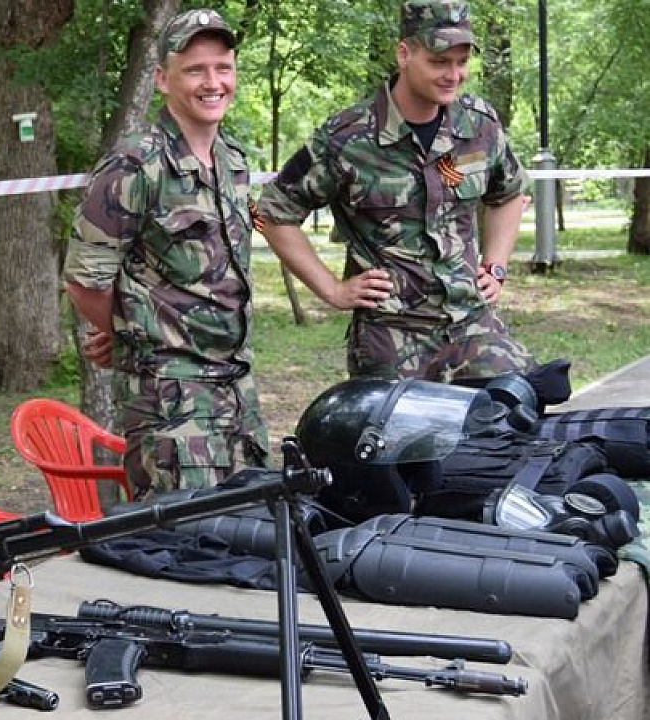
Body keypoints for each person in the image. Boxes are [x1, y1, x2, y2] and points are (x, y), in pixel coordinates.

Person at [256, 0, 536, 383]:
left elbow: (509, 194)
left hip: (470, 323)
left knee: (520, 408)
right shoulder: (348, 138)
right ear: (404, 54)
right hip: (392, 333)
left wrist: (496, 265)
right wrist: (333, 291)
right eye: (439, 62)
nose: (453, 75)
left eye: (461, 62)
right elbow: (272, 213)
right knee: (404, 437)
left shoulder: (479, 125)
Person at [64, 8, 269, 499]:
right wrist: (135, 334)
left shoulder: (233, 161)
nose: (213, 82)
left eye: (223, 67)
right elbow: (83, 280)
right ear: (162, 79)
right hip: (171, 401)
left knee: (249, 534)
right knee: (186, 547)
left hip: (236, 390)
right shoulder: (136, 163)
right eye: (195, 70)